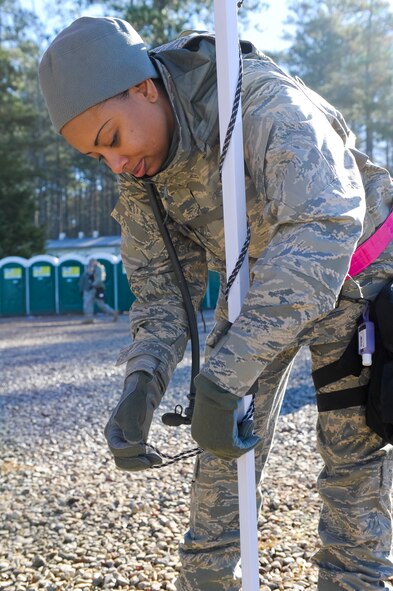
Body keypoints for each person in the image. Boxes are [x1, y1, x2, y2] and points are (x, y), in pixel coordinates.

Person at [38, 15, 393, 591]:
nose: (116, 165)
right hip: (257, 289)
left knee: (353, 464)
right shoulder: (143, 173)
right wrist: (142, 386)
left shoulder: (261, 102)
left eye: (110, 140)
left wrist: (223, 376)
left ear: (144, 89)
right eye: (95, 158)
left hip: (358, 279)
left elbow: (322, 229)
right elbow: (160, 291)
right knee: (223, 457)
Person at [79, 257, 118, 323]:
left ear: (95, 262)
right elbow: (85, 278)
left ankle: (113, 313)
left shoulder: (99, 268)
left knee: (96, 304)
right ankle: (89, 319)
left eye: (92, 262)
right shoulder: (91, 268)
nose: (91, 264)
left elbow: (100, 279)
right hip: (92, 289)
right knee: (90, 304)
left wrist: (92, 285)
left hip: (96, 289)